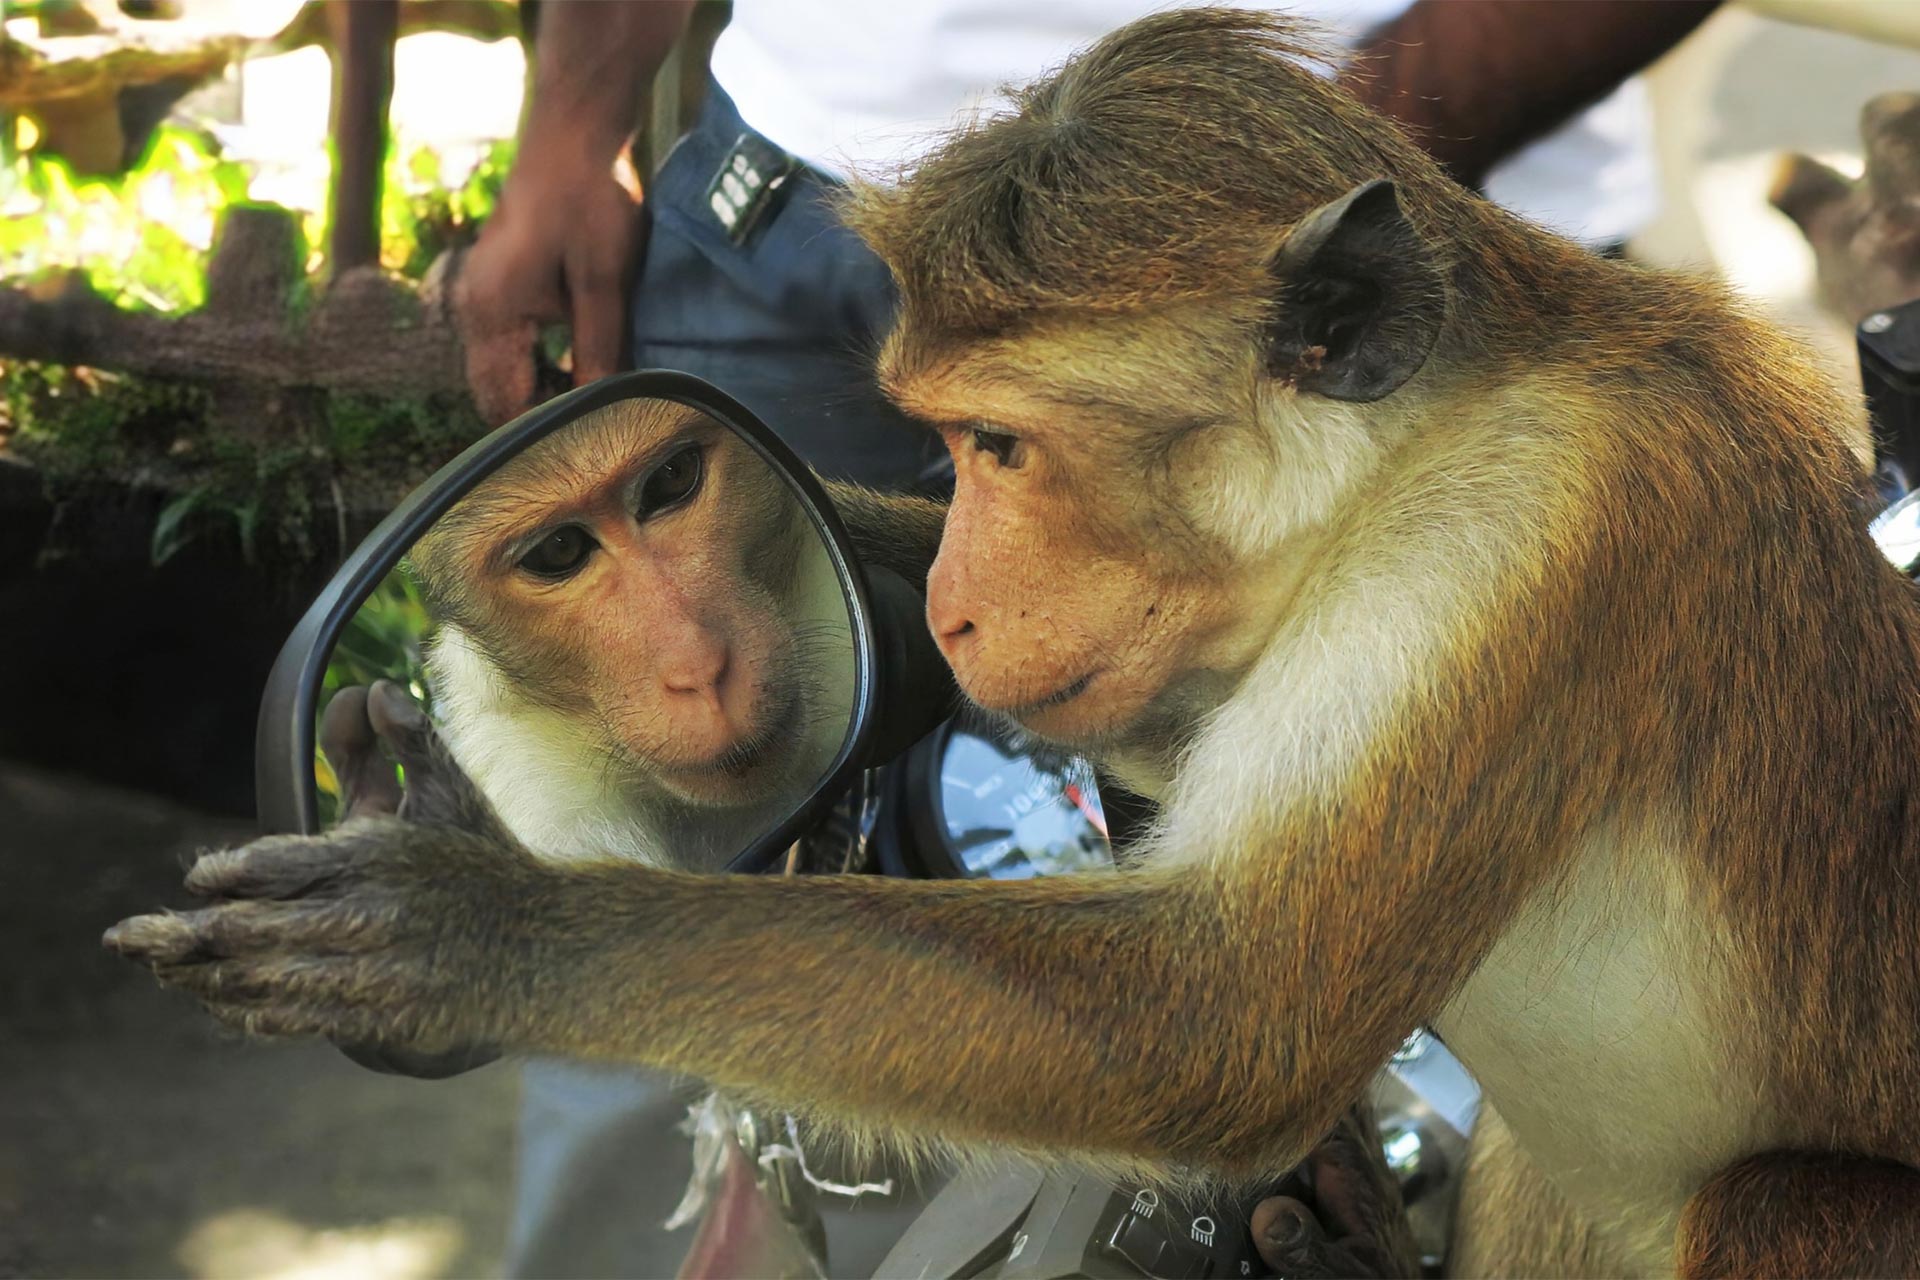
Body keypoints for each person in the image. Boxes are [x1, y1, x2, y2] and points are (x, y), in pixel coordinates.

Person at [452, 4, 1721, 1274]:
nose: (950, 603)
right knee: (698, 805)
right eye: (958, 456)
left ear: (1326, 336)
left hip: (1291, 217)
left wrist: (548, 942)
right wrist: (572, 126)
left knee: (1430, 1066)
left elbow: (1219, 1033)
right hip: (814, 183)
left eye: (991, 457)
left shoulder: (1516, 495)